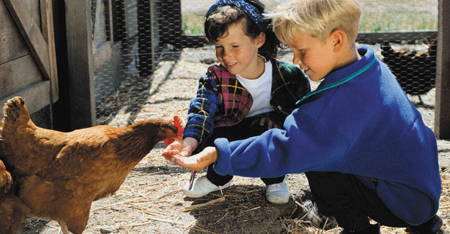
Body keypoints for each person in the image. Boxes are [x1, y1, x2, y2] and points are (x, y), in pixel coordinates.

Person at [163, 0, 443, 233]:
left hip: (401, 204)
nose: (296, 60)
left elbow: (288, 147)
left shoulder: (338, 105)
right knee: (322, 148)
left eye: (302, 50)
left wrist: (219, 154)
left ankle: (357, 229)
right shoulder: (369, 69)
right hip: (420, 191)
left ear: (336, 40)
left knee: (318, 160)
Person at [163, 0, 310, 204]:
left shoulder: (289, 75)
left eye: (235, 46)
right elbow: (202, 111)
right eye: (219, 47)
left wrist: (277, 118)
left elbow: (302, 111)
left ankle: (275, 180)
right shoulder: (214, 77)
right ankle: (218, 178)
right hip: (229, 132)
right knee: (217, 137)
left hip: (265, 135)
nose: (226, 55)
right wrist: (187, 145)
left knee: (270, 136)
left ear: (259, 40)